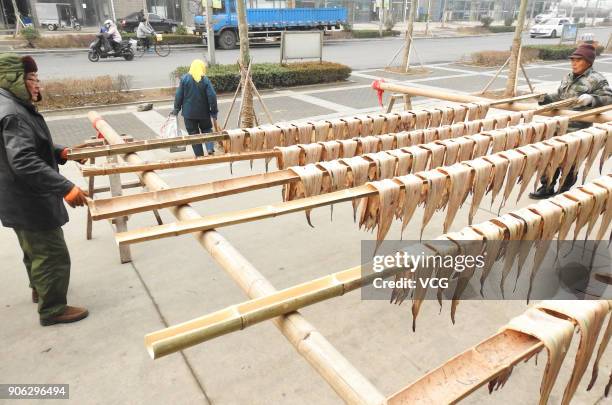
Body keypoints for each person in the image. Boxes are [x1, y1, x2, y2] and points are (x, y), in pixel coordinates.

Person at [0, 54, 89, 326]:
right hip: (29, 199)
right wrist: (66, 187)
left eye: (38, 79)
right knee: (51, 253)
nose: (37, 85)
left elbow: (31, 147)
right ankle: (53, 310)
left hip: (16, 198)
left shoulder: (12, 106)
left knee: (33, 249)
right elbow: (24, 161)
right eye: (31, 79)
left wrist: (60, 152)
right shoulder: (14, 114)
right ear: (15, 80)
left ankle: (40, 289)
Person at [531, 43, 612, 199]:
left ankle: (563, 192)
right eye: (572, 60)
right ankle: (546, 188)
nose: (573, 63)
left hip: (576, 130)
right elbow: (559, 97)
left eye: (578, 60)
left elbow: (609, 98)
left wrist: (591, 99)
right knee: (550, 158)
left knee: (569, 163)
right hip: (558, 127)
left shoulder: (597, 79)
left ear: (588, 61)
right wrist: (544, 98)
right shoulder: (568, 77)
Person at [172, 59, 219, 156]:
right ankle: (210, 148)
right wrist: (213, 112)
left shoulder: (185, 79)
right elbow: (212, 96)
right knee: (207, 129)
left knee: (193, 134)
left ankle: (199, 155)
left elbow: (179, 95)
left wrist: (176, 109)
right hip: (203, 113)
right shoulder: (205, 80)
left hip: (189, 115)